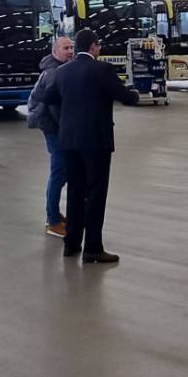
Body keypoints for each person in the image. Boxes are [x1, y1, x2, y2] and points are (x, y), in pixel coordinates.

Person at [40, 30, 140, 264]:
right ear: (94, 47)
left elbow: (48, 97)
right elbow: (124, 96)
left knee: (75, 190)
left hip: (69, 141)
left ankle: (71, 243)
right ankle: (93, 248)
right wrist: (135, 94)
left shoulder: (63, 71)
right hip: (96, 141)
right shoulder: (102, 70)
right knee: (95, 192)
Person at [27, 35, 74, 237]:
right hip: (53, 128)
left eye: (71, 47)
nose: (70, 51)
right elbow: (54, 108)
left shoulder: (59, 68)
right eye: (65, 48)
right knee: (58, 172)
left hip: (52, 126)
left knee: (61, 173)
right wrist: (66, 130)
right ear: (55, 52)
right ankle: (53, 221)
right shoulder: (55, 72)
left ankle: (54, 214)